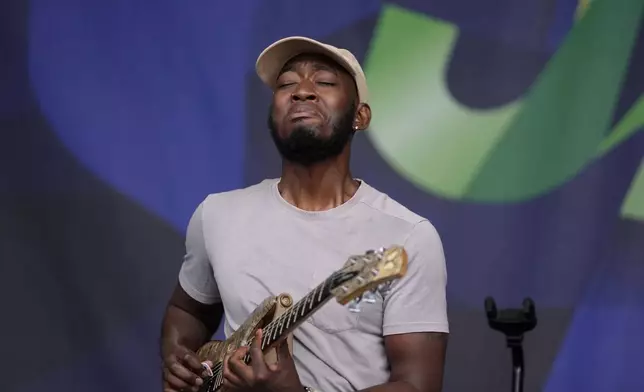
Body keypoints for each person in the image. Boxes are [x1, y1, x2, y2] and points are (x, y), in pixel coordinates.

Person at [160, 36, 449, 392]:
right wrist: (179, 360)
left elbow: (418, 385)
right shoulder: (216, 215)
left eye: (324, 83)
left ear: (361, 115)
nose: (302, 92)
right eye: (286, 84)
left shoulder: (407, 237)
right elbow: (187, 311)